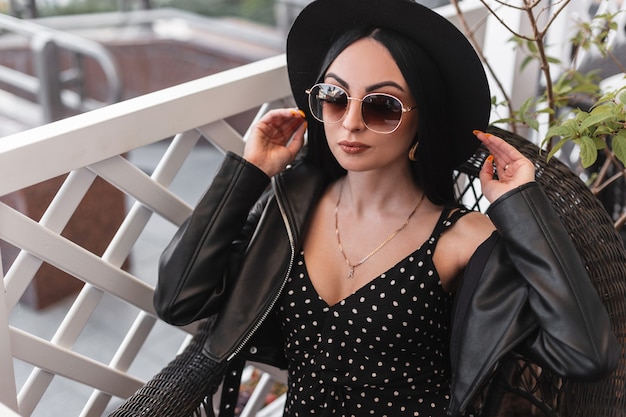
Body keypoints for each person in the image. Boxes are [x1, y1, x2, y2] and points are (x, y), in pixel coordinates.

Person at [154, 0, 620, 416]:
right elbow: (179, 301)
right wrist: (249, 172)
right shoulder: (292, 209)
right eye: (335, 98)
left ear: (424, 120)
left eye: (381, 108)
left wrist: (522, 206)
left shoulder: (463, 237)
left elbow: (586, 355)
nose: (351, 123)